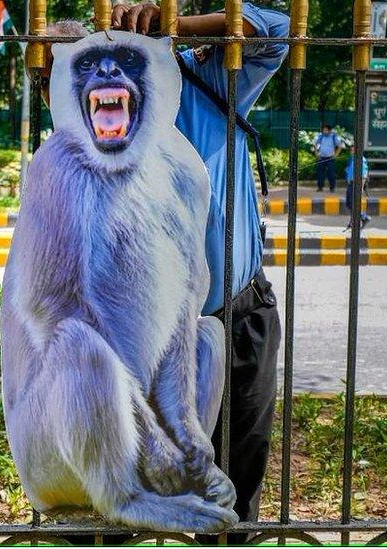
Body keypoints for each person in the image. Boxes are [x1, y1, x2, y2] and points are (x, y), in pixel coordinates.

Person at [40, 2, 288, 538]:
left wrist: (178, 24)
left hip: (235, 311)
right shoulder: (80, 133)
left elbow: (274, 32)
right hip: (129, 340)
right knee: (109, 512)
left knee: (234, 497)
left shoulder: (208, 83)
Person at [313, 124, 342, 192]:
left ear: (330, 130)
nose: (324, 131)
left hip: (330, 158)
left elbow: (340, 146)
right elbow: (315, 145)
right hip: (321, 158)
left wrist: (336, 155)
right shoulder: (320, 137)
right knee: (320, 173)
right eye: (324, 130)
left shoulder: (334, 137)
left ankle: (332, 188)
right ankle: (320, 187)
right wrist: (316, 154)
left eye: (326, 130)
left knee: (331, 173)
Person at [345, 154, 370, 229]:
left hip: (356, 184)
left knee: (353, 204)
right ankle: (352, 220)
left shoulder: (361, 160)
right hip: (351, 183)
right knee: (349, 203)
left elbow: (364, 175)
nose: (352, 151)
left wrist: (361, 187)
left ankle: (363, 217)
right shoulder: (353, 158)